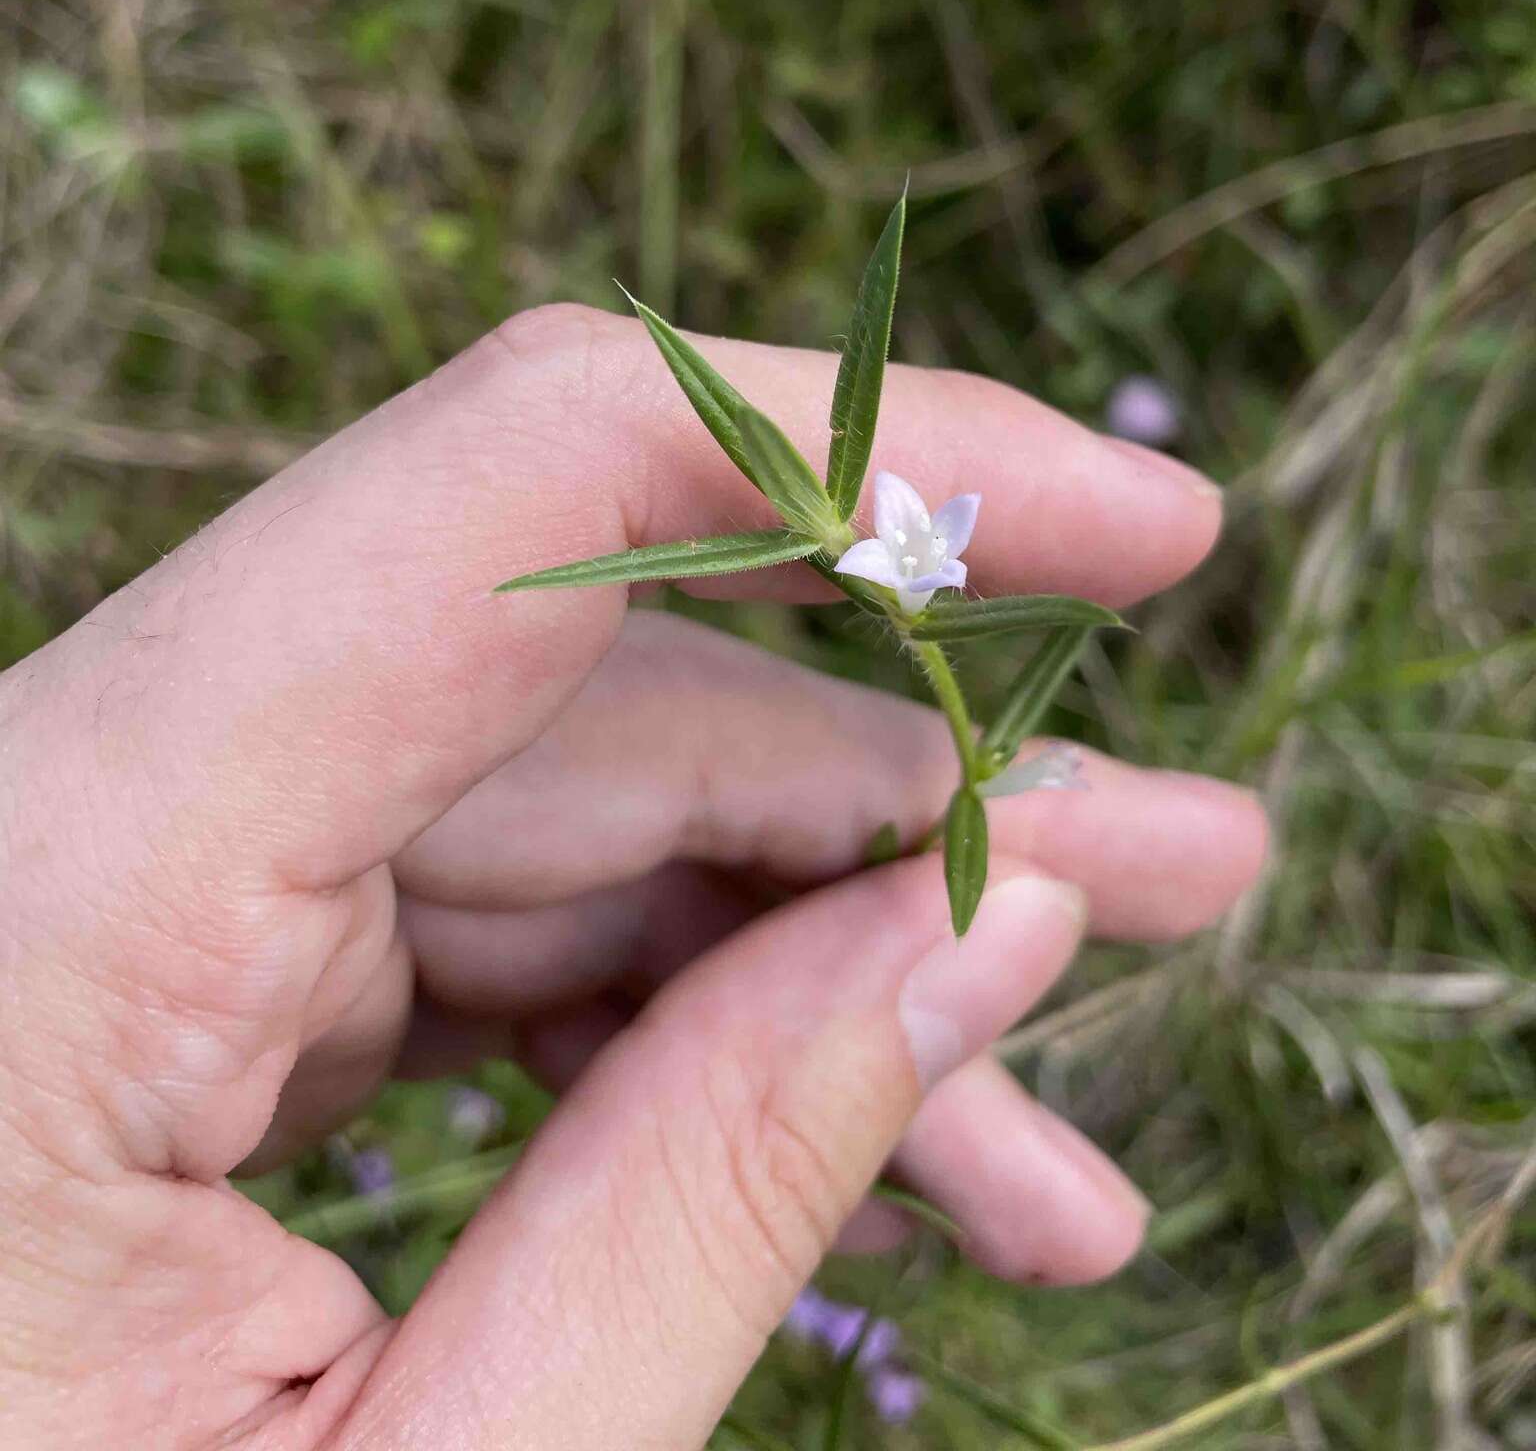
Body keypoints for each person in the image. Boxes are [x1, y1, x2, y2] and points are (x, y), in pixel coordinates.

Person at [0, 305, 1267, 1448]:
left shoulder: (921, 569)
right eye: (906, 552)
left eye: (918, 552)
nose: (912, 548)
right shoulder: (881, 551)